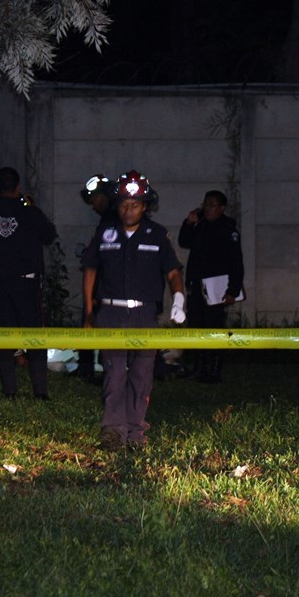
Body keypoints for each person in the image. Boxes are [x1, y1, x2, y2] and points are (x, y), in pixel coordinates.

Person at [82, 170, 186, 450]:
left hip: (143, 315)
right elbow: (90, 270)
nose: (129, 210)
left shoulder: (157, 235)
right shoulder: (105, 232)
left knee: (142, 376)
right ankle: (113, 431)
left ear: (145, 206)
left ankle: (135, 432)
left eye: (136, 204)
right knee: (114, 373)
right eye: (124, 204)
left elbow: (173, 271)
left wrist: (179, 298)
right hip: (110, 313)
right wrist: (89, 310)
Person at [0, 167, 57, 399]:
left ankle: (9, 389)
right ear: (18, 187)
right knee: (35, 338)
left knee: (4, 338)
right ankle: (40, 391)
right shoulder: (30, 214)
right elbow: (50, 235)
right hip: (26, 284)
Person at [177, 189, 244, 383]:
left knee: (214, 328)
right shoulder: (200, 225)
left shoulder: (228, 229)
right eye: (206, 204)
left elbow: (236, 263)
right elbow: (184, 241)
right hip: (197, 287)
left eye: (212, 205)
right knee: (196, 327)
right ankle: (199, 368)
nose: (207, 208)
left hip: (217, 289)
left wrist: (233, 290)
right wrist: (188, 223)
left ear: (222, 208)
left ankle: (215, 370)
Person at [76, 174, 117, 383]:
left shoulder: (114, 220)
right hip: (103, 284)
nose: (93, 206)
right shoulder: (107, 220)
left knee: (96, 323)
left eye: (95, 199)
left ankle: (91, 369)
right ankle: (87, 368)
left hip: (108, 287)